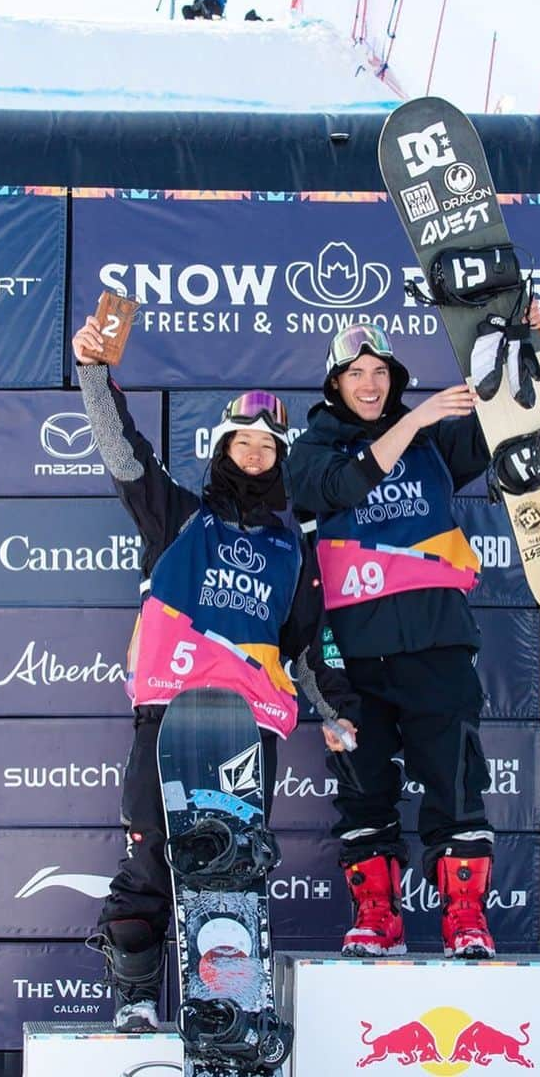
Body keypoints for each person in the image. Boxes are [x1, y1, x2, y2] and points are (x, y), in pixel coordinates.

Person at [71, 314, 360, 1033]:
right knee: (150, 858)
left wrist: (333, 712)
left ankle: (225, 1009)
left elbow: (304, 649)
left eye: (269, 447)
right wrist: (93, 374)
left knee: (230, 873)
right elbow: (122, 452)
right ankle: (136, 1003)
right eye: (246, 442)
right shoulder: (178, 518)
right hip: (168, 716)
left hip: (244, 726)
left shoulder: (293, 550)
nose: (257, 455)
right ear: (225, 446)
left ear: (282, 459)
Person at [288, 309, 540, 961]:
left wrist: (524, 341)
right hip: (349, 656)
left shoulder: (434, 442)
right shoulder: (311, 452)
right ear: (334, 384)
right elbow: (344, 487)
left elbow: (500, 414)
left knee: (456, 781)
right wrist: (414, 419)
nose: (370, 383)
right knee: (362, 785)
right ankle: (377, 919)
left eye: (381, 372)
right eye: (356, 373)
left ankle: (466, 919)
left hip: (435, 641)